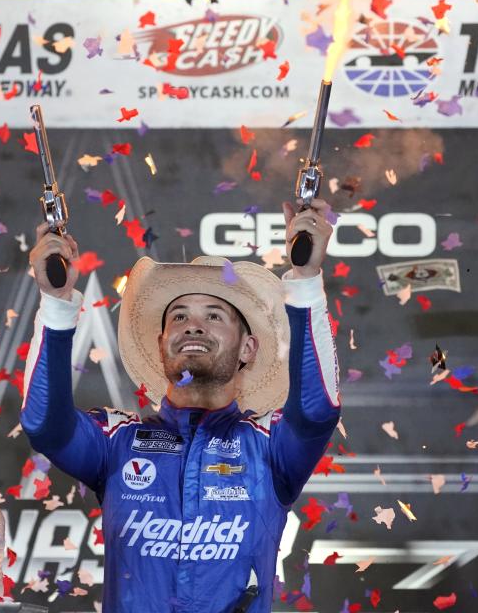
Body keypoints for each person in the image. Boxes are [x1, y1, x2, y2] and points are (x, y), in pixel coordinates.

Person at [20, 198, 341, 612]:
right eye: (179, 317)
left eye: (214, 316)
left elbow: (317, 411)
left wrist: (306, 279)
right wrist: (56, 303)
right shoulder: (117, 441)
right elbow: (44, 424)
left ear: (248, 347)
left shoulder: (270, 446)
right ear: (161, 345)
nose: (193, 324)